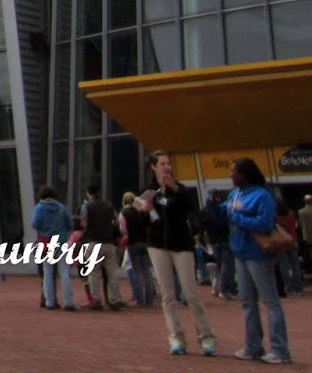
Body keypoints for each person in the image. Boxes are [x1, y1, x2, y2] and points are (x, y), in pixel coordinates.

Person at [203, 157, 291, 365]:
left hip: (258, 253)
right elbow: (224, 215)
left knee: (270, 301)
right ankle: (253, 346)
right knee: (247, 301)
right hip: (240, 252)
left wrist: (237, 218)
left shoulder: (262, 195)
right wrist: (213, 205)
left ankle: (280, 349)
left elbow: (265, 223)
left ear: (244, 175)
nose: (230, 175)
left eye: (233, 171)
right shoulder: (235, 194)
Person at [139, 150, 217, 357]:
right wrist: (145, 210)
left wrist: (174, 189)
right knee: (168, 295)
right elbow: (142, 222)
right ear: (153, 167)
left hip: (181, 244)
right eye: (162, 164)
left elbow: (191, 209)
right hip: (158, 244)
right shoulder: (149, 192)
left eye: (168, 163)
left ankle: (206, 337)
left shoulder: (180, 189)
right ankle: (176, 338)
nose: (167, 167)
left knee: (191, 293)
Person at [30, 185, 75, 311]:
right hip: (61, 241)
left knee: (48, 273)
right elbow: (70, 224)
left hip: (46, 242)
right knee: (64, 272)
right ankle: (68, 302)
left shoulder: (39, 208)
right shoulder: (61, 207)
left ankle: (49, 301)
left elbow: (35, 224)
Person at [81, 183, 124, 309]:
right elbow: (117, 221)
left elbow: (84, 223)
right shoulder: (108, 205)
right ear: (99, 192)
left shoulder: (86, 206)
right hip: (108, 243)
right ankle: (115, 299)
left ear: (88, 193)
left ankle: (96, 300)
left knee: (94, 273)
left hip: (93, 242)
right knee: (112, 273)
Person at [120, 190, 156, 307]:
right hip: (144, 242)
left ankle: (140, 299)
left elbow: (123, 230)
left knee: (137, 272)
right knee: (147, 271)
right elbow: (149, 224)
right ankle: (150, 299)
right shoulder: (142, 211)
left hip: (133, 243)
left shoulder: (124, 213)